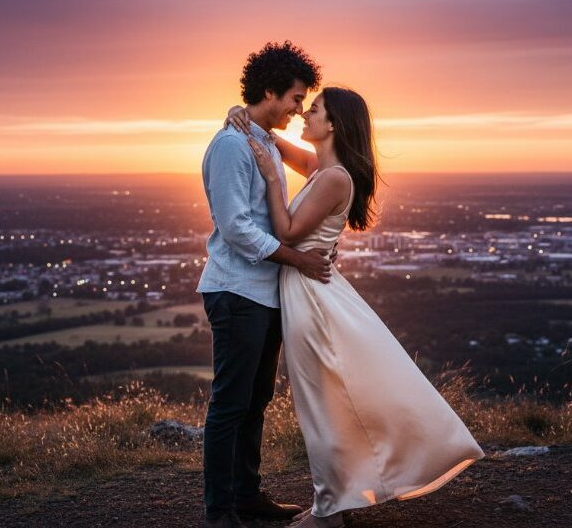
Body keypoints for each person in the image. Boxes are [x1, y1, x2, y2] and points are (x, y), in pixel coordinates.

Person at [226, 87, 486, 528]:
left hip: (310, 298)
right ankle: (335, 501)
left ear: (333, 125)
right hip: (307, 292)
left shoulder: (334, 178)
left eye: (315, 109)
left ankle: (329, 512)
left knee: (322, 406)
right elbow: (269, 142)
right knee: (327, 404)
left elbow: (286, 233)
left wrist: (272, 180)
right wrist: (242, 115)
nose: (305, 114)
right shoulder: (323, 168)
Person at [196, 41, 336, 528]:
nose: (300, 109)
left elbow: (318, 169)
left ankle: (246, 496)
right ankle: (219, 513)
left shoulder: (258, 139)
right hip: (236, 291)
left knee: (255, 400)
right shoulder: (232, 145)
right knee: (230, 403)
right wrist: (298, 259)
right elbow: (237, 228)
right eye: (297, 98)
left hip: (263, 293)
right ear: (272, 91)